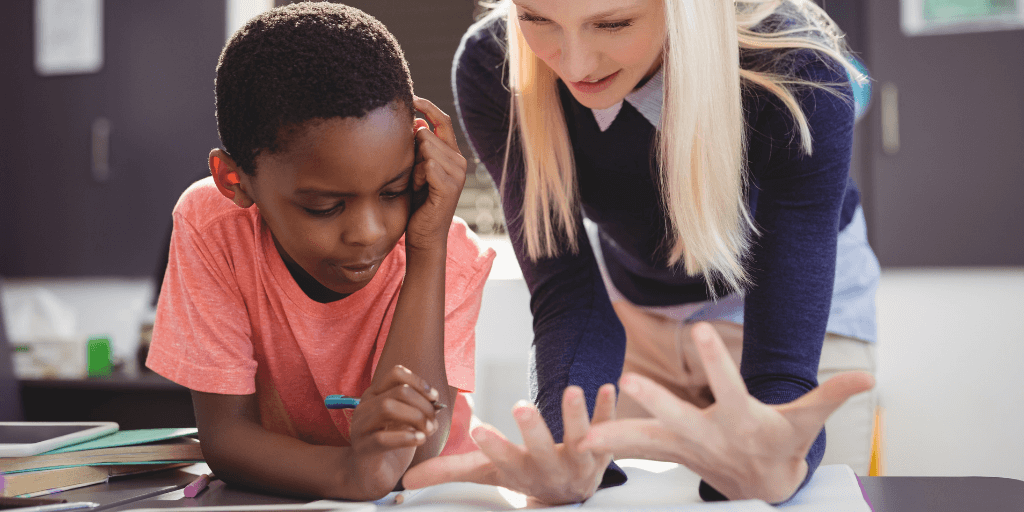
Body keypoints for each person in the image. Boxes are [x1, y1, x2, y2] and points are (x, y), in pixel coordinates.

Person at [403, 0, 878, 505]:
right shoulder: (491, 64)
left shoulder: (798, 69)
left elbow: (781, 368)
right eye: (537, 19)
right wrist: (564, 445)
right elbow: (566, 290)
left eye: (613, 23)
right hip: (633, 313)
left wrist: (774, 449)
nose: (575, 64)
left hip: (789, 301)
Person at [146, 3, 494, 500]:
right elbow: (225, 438)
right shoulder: (212, 226)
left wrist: (427, 246)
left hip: (432, 497)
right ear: (234, 180)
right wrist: (352, 472)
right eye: (325, 206)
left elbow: (414, 455)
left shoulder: (446, 246)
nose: (368, 233)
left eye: (393, 191)